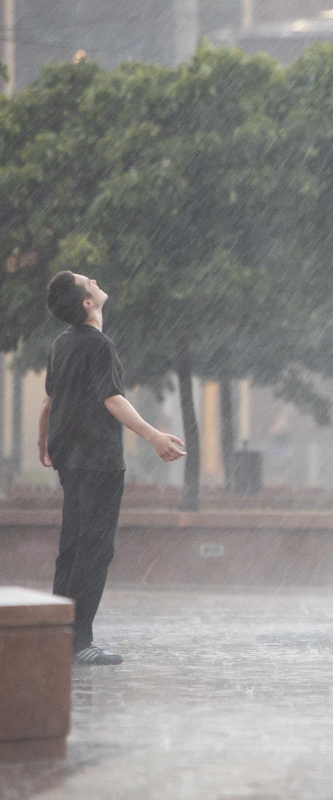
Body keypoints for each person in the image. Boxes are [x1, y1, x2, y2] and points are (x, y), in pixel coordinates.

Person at [37, 271, 186, 666]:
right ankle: (80, 639)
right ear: (87, 302)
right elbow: (113, 399)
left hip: (69, 456)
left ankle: (58, 633)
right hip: (98, 459)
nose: (97, 281)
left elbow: (48, 402)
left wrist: (42, 442)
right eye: (89, 281)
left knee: (72, 545)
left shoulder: (61, 344)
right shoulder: (99, 346)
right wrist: (154, 435)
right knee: (95, 549)